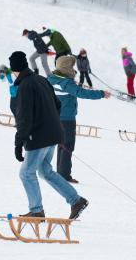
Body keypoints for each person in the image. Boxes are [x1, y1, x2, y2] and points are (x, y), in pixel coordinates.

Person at [9, 51, 89, 220]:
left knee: (26, 173)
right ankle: (76, 201)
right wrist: (50, 122)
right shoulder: (41, 79)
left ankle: (37, 210)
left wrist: (18, 143)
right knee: (45, 171)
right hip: (53, 134)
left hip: (39, 137)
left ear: (15, 70)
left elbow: (24, 118)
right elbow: (57, 104)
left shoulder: (24, 86)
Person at [47, 56, 110, 183]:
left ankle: (60, 173)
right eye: (71, 66)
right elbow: (82, 93)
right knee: (67, 146)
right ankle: (64, 175)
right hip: (67, 119)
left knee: (61, 145)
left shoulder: (51, 79)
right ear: (66, 68)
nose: (72, 68)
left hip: (55, 117)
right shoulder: (66, 83)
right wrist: (101, 94)